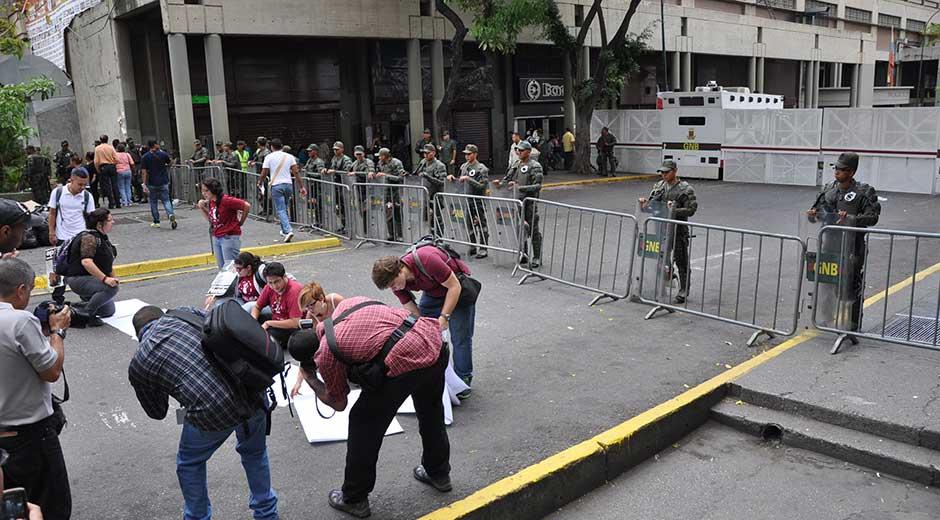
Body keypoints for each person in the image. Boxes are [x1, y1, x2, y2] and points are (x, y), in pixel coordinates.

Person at [289, 294, 451, 518]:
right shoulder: (350, 304)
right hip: (432, 342)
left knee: (362, 423)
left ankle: (354, 498)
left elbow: (338, 403)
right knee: (431, 411)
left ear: (312, 359)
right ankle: (439, 473)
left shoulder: (326, 353)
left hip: (405, 362)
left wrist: (311, 378)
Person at [129, 305, 279, 520]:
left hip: (212, 409)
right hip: (251, 386)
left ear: (138, 335)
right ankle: (267, 513)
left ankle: (198, 517)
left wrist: (160, 381)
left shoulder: (139, 362)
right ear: (162, 316)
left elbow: (157, 412)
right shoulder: (184, 313)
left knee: (190, 463)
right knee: (254, 453)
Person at [0, 257, 72, 519]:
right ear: (20, 290)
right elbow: (51, 371)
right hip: (29, 437)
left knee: (11, 508)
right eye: (29, 290)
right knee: (52, 506)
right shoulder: (20, 321)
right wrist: (57, 332)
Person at [371, 244, 476, 398]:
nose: (394, 288)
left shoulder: (427, 260)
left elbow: (454, 287)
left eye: (393, 284)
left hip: (456, 288)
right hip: (433, 291)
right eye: (390, 287)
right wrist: (421, 328)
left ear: (399, 271)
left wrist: (444, 317)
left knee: (460, 337)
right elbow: (412, 309)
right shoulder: (397, 286)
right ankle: (435, 377)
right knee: (425, 333)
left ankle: (463, 378)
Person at [807, 152, 880, 331]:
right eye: (836, 168)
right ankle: (824, 318)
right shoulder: (828, 189)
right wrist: (813, 215)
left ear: (852, 172)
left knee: (851, 286)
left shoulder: (863, 192)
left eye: (842, 169)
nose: (837, 172)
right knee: (825, 282)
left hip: (852, 247)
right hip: (830, 244)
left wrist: (851, 219)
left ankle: (851, 325)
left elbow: (872, 217)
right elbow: (816, 213)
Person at [638, 159, 698, 304]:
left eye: (667, 172)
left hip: (678, 229)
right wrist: (644, 205)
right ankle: (665, 281)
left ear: (675, 171)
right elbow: (651, 206)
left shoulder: (685, 189)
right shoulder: (658, 186)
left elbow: (691, 209)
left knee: (681, 259)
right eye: (662, 172)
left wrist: (674, 209)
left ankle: (683, 290)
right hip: (660, 228)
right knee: (659, 258)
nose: (664, 175)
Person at [63, 208, 119, 324]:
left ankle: (75, 307)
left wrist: (114, 278)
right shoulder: (89, 238)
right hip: (78, 279)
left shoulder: (102, 237)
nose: (113, 222)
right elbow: (86, 262)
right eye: (109, 220)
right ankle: (87, 315)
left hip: (92, 280)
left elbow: (106, 263)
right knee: (111, 288)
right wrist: (105, 279)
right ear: (99, 224)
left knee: (108, 311)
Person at [48, 164, 94, 304]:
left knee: (82, 269)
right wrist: (51, 232)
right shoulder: (58, 193)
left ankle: (86, 298)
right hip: (63, 237)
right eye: (80, 184)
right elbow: (52, 213)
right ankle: (58, 300)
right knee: (60, 268)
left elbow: (91, 217)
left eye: (85, 185)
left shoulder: (87, 196)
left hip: (81, 237)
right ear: (71, 180)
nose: (82, 188)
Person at [494, 140, 543, 267]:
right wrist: (500, 184)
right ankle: (524, 254)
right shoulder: (516, 164)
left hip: (529, 203)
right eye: (518, 150)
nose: (519, 152)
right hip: (517, 203)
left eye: (521, 150)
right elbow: (508, 179)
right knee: (520, 230)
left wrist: (519, 187)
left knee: (533, 229)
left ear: (528, 151)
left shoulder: (535, 166)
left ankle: (537, 256)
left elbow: (537, 186)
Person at [259, 138, 306, 244]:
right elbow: (296, 172)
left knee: (280, 209)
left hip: (276, 185)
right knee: (284, 208)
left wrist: (260, 182)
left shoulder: (268, 157)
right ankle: (285, 230)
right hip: (288, 185)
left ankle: (288, 230)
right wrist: (302, 187)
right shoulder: (290, 157)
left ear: (271, 147)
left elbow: (264, 172)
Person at [198, 178, 250, 269]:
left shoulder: (226, 200)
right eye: (202, 191)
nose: (203, 193)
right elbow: (212, 220)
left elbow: (246, 206)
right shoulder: (212, 202)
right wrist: (202, 208)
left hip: (228, 236)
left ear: (213, 190)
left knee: (230, 268)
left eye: (206, 191)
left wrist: (240, 222)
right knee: (222, 267)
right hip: (217, 236)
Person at [251, 261, 303, 348]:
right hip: (277, 320)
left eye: (277, 281)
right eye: (270, 283)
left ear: (284, 277)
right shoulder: (269, 287)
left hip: (291, 328)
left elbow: (295, 323)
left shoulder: (294, 291)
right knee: (254, 320)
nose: (274, 286)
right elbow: (257, 306)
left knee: (264, 337)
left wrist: (269, 323)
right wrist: (252, 322)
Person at [204, 251, 269, 314]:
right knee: (220, 303)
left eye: (239, 269)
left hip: (261, 305)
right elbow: (225, 285)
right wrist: (214, 296)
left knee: (248, 306)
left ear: (248, 267)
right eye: (236, 268)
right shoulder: (239, 275)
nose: (237, 271)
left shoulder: (260, 273)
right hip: (243, 302)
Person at [455, 144, 489, 258]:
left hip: (478, 201)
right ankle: (472, 245)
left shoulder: (481, 169)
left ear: (475, 154)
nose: (466, 156)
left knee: (481, 224)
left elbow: (482, 186)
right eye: (465, 154)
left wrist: (469, 179)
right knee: (469, 224)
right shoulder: (464, 167)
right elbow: (460, 182)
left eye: (469, 154)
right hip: (467, 200)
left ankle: (483, 248)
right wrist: (452, 179)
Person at [140, 140, 177, 230]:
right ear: (155, 145)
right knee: (166, 201)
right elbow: (170, 163)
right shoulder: (163, 154)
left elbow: (144, 171)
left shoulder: (145, 157)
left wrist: (144, 183)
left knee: (153, 202)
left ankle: (156, 221)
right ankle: (171, 215)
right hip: (163, 181)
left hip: (152, 182)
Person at [322, 141, 354, 231]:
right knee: (339, 207)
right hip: (337, 186)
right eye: (334, 150)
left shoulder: (346, 159)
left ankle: (350, 226)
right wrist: (326, 170)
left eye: (337, 149)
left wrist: (335, 172)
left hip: (345, 186)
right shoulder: (334, 158)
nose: (335, 151)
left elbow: (346, 171)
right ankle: (343, 225)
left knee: (346, 206)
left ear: (342, 149)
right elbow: (332, 168)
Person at [375, 148, 405, 241]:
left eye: (380, 156)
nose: (379, 158)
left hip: (396, 192)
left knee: (397, 213)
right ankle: (391, 234)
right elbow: (378, 173)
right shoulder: (380, 163)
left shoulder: (396, 163)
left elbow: (400, 178)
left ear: (385, 156)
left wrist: (385, 175)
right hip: (386, 192)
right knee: (388, 213)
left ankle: (400, 235)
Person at [415, 144, 447, 230]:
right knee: (427, 220)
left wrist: (427, 176)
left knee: (437, 219)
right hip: (426, 195)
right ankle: (430, 238)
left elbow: (442, 182)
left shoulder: (439, 165)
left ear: (433, 153)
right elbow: (416, 173)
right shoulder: (423, 162)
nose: (425, 155)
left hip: (435, 196)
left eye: (427, 153)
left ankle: (439, 239)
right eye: (424, 153)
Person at [94, 134, 121, 209]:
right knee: (115, 184)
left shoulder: (97, 149)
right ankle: (118, 203)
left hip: (103, 166)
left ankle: (111, 203)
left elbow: (96, 161)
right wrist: (113, 164)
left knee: (107, 185)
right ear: (107, 140)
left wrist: (98, 169)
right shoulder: (111, 147)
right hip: (112, 166)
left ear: (100, 140)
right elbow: (117, 159)